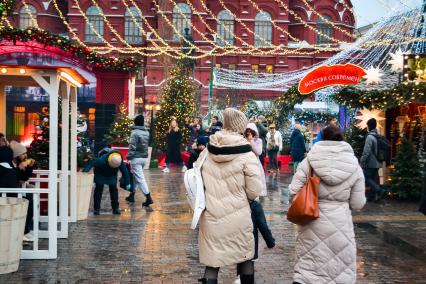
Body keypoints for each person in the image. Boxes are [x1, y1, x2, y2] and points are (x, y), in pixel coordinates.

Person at [289, 125, 366, 284]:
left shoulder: (309, 162)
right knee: (339, 273)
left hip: (311, 221)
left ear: (322, 138)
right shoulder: (354, 165)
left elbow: (293, 190)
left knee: (308, 270)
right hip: (341, 225)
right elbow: (358, 204)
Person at [197, 108, 265, 284]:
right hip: (239, 216)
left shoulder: (208, 150)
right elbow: (254, 190)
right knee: (244, 258)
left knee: (212, 262)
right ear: (240, 127)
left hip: (212, 214)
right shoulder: (247, 154)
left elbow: (197, 178)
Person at [83, 150, 130, 215]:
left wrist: (128, 183)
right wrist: (84, 173)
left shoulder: (119, 160)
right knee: (98, 191)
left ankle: (115, 208)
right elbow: (91, 163)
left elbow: (125, 171)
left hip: (112, 176)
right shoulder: (101, 160)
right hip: (100, 174)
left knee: (114, 192)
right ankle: (96, 209)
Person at [9, 141, 35, 242]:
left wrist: (30, 167)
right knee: (28, 199)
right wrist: (20, 168)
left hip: (16, 189)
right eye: (23, 154)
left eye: (25, 153)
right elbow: (16, 178)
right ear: (16, 155)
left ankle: (27, 228)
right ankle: (25, 229)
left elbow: (24, 178)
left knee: (30, 197)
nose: (25, 155)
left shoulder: (19, 164)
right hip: (11, 191)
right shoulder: (12, 165)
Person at [125, 115, 153, 207]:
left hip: (136, 158)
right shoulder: (146, 132)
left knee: (140, 179)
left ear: (135, 122)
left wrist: (128, 157)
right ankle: (131, 195)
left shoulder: (134, 132)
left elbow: (132, 147)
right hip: (144, 158)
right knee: (135, 177)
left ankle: (148, 198)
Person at [360, 118, 384, 202]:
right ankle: (372, 197)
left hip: (371, 162)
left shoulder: (370, 137)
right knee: (373, 179)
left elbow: (366, 152)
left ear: (369, 126)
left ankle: (378, 190)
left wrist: (361, 162)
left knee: (366, 177)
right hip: (378, 161)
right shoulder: (378, 135)